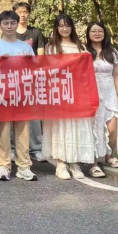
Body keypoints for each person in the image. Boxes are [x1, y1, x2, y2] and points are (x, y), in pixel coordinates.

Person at [0, 11, 38, 182]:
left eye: (12, 23)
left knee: (23, 131)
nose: (9, 26)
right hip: (2, 94)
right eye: (6, 23)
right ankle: (4, 165)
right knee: (3, 131)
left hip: (22, 94)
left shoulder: (26, 47)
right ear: (0, 25)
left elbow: (35, 70)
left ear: (17, 24)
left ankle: (24, 166)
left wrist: (30, 62)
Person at [42, 14, 96, 180]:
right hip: (60, 92)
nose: (64, 29)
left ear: (72, 28)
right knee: (61, 127)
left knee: (77, 126)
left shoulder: (80, 47)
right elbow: (50, 69)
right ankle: (61, 163)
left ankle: (74, 163)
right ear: (56, 28)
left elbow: (86, 69)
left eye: (67, 26)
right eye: (61, 26)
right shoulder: (51, 47)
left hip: (78, 93)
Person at [86, 22, 118, 176]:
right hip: (91, 92)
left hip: (110, 91)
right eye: (93, 31)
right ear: (88, 34)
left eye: (100, 31)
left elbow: (117, 74)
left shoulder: (112, 52)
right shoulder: (84, 51)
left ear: (104, 33)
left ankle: (109, 156)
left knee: (112, 126)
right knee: (93, 127)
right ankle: (93, 162)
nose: (97, 33)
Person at [13, 2, 48, 163]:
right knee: (13, 113)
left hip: (32, 79)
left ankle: (36, 148)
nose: (22, 15)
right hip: (14, 80)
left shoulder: (35, 33)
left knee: (34, 115)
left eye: (25, 12)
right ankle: (13, 148)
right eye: (19, 12)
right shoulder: (10, 33)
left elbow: (41, 57)